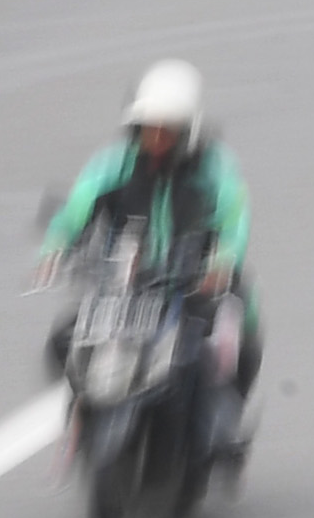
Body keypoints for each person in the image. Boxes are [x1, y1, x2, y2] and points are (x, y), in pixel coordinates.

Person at [38, 60, 259, 401]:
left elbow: (233, 218)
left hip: (195, 283)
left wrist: (222, 263)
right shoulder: (116, 162)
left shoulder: (215, 167)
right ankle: (80, 416)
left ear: (189, 130)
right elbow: (80, 203)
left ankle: (225, 418)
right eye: (147, 129)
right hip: (128, 283)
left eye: (166, 130)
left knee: (239, 322)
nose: (155, 139)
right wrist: (57, 245)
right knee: (64, 341)